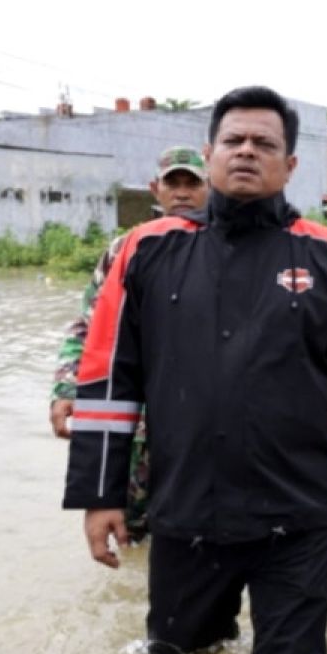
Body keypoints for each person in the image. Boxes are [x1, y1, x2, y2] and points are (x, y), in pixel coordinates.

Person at [63, 86, 327, 654]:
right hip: (184, 512)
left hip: (297, 517)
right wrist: (99, 495)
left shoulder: (326, 255)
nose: (247, 152)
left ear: (290, 165)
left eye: (265, 143)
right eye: (234, 140)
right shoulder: (149, 251)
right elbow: (111, 379)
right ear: (210, 151)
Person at [50, 146, 210, 541]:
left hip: (204, 426)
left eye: (194, 183)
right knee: (132, 536)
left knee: (204, 536)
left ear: (212, 188)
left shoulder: (227, 248)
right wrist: (67, 386)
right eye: (174, 183)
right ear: (156, 189)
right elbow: (90, 325)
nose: (183, 193)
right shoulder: (126, 250)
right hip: (136, 420)